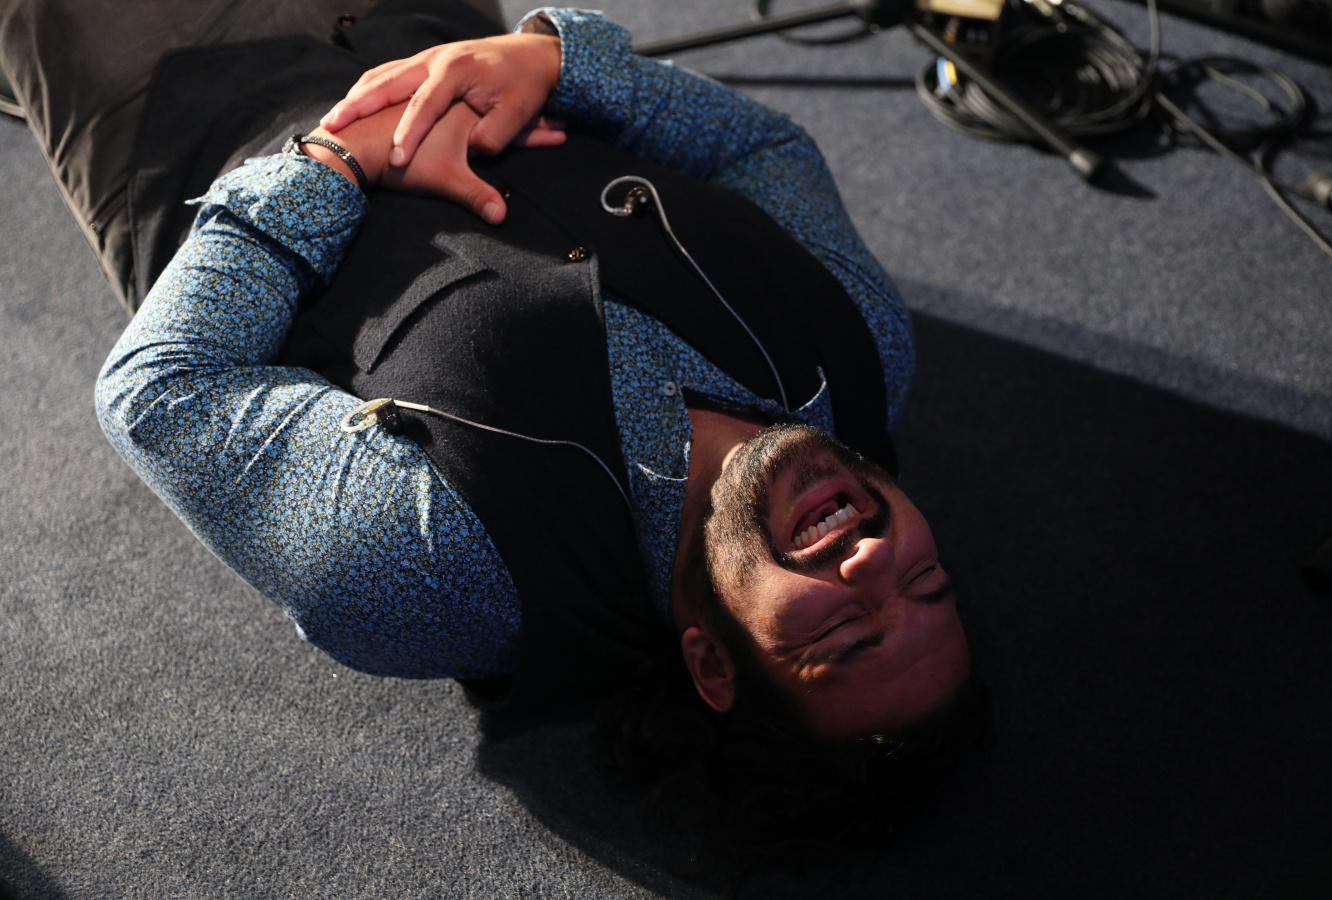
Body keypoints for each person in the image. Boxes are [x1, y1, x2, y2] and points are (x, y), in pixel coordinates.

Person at [7, 0, 986, 869]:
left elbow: (165, 391)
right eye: (924, 582)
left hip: (195, 98)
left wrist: (336, 162)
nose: (871, 560)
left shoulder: (441, 572)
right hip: (432, 22)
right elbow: (764, 151)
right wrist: (556, 63)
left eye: (844, 634)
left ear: (715, 666)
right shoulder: (860, 344)